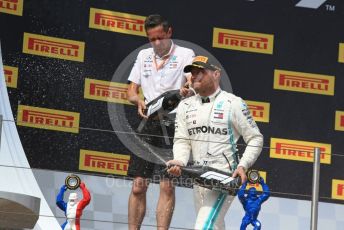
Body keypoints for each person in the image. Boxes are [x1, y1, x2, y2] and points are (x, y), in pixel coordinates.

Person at [167, 55, 264, 230]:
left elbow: (256, 138)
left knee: (203, 226)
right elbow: (182, 140)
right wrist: (180, 161)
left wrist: (243, 165)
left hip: (224, 178)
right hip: (199, 178)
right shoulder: (185, 106)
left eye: (200, 72)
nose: (194, 76)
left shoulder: (233, 103)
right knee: (215, 225)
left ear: (216, 74)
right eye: (192, 73)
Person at [126, 14, 195, 230]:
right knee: (138, 186)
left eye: (160, 38)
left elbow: (192, 83)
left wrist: (187, 89)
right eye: (151, 39)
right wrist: (138, 100)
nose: (156, 43)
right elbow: (130, 91)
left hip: (175, 124)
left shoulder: (186, 54)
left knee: (167, 186)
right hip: (148, 122)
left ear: (169, 33)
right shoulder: (143, 55)